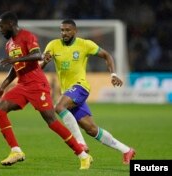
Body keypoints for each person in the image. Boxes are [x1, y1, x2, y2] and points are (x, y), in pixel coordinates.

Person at [0, 11, 92, 170]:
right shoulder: (9, 44)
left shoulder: (27, 36)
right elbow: (15, 67)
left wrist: (15, 59)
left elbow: (38, 55)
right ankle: (16, 151)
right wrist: (3, 86)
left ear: (10, 24)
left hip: (37, 85)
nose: (0, 30)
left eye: (2, 26)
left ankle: (83, 155)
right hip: (23, 85)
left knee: (52, 122)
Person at [41, 19, 135, 165]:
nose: (64, 33)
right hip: (68, 92)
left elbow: (107, 56)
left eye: (67, 30)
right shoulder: (53, 45)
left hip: (81, 86)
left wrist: (113, 74)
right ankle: (126, 150)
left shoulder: (85, 44)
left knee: (59, 107)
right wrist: (44, 61)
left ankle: (80, 143)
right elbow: (41, 65)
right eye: (62, 30)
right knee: (91, 129)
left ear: (75, 31)